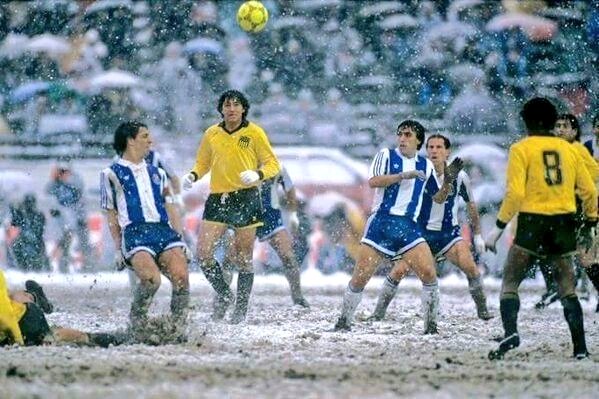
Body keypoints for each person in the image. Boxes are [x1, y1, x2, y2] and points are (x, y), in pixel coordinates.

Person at [485, 98, 597, 360]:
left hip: (532, 221)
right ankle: (580, 347)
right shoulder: (571, 149)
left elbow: (515, 193)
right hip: (563, 222)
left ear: (526, 121)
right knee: (567, 287)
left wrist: (498, 227)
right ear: (551, 121)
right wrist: (591, 220)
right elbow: (589, 190)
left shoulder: (521, 148)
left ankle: (511, 332)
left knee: (511, 282)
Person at [333, 120, 461, 334]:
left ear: (418, 140)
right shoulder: (386, 155)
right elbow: (373, 181)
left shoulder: (426, 165)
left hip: (408, 226)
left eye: (408, 135)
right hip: (382, 222)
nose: (402, 138)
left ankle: (431, 327)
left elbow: (438, 197)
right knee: (361, 276)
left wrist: (448, 181)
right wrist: (401, 176)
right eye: (400, 134)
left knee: (429, 274)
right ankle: (343, 321)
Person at [369, 134, 493, 321]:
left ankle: (483, 311)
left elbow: (471, 206)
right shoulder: (420, 172)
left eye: (439, 147)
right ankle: (378, 313)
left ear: (447, 151)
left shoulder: (460, 177)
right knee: (398, 271)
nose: (434, 151)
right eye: (431, 147)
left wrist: (477, 236)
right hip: (420, 235)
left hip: (447, 235)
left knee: (471, 268)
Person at [182, 90, 280, 324]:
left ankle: (241, 310)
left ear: (244, 109)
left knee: (242, 256)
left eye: (236, 105)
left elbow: (273, 164)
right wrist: (193, 175)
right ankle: (225, 294)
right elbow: (203, 162)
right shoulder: (212, 133)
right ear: (221, 109)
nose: (232, 109)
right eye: (227, 105)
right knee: (204, 254)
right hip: (219, 198)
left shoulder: (254, 133)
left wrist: (257, 173)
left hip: (246, 197)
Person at [100, 121, 190, 342]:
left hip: (162, 231)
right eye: (145, 136)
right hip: (135, 232)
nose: (150, 141)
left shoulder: (157, 172)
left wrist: (181, 238)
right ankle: (137, 324)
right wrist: (117, 247)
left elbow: (170, 205)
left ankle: (177, 329)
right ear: (130, 141)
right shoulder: (110, 173)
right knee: (152, 280)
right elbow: (110, 213)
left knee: (181, 277)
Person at [0, 270, 122, 348]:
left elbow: (6, 318)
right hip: (14, 320)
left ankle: (92, 338)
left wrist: (17, 340)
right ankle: (34, 295)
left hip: (24, 319)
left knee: (49, 335)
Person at [244, 165, 308, 307]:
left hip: (271, 218)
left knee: (289, 256)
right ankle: (226, 300)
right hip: (246, 217)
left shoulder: (276, 166)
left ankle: (298, 297)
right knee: (237, 258)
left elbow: (290, 189)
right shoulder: (242, 160)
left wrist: (292, 214)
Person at [45, 160, 93, 273]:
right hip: (64, 221)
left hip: (79, 218)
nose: (63, 174)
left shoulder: (75, 182)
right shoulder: (54, 185)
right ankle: (63, 267)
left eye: (65, 171)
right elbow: (49, 199)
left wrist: (80, 216)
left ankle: (88, 267)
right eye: (61, 172)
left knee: (84, 244)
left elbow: (81, 199)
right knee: (65, 243)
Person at [9, 194, 51, 272]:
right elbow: (14, 223)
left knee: (37, 258)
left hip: (34, 241)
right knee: (17, 248)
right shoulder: (23, 214)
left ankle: (38, 267)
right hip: (27, 241)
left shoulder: (38, 215)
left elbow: (41, 230)